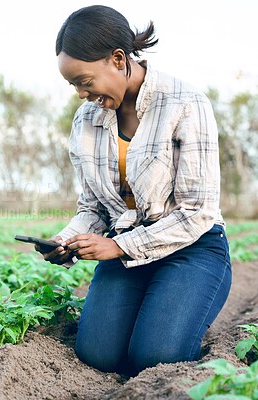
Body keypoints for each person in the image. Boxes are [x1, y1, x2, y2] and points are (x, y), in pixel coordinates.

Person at [35, 5, 232, 376]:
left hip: (191, 248)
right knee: (98, 354)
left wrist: (119, 246)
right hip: (123, 249)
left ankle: (184, 304)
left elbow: (197, 212)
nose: (80, 94)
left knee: (154, 357)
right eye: (73, 85)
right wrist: (66, 240)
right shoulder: (87, 119)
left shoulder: (185, 103)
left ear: (118, 59)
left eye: (85, 80)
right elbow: (93, 207)